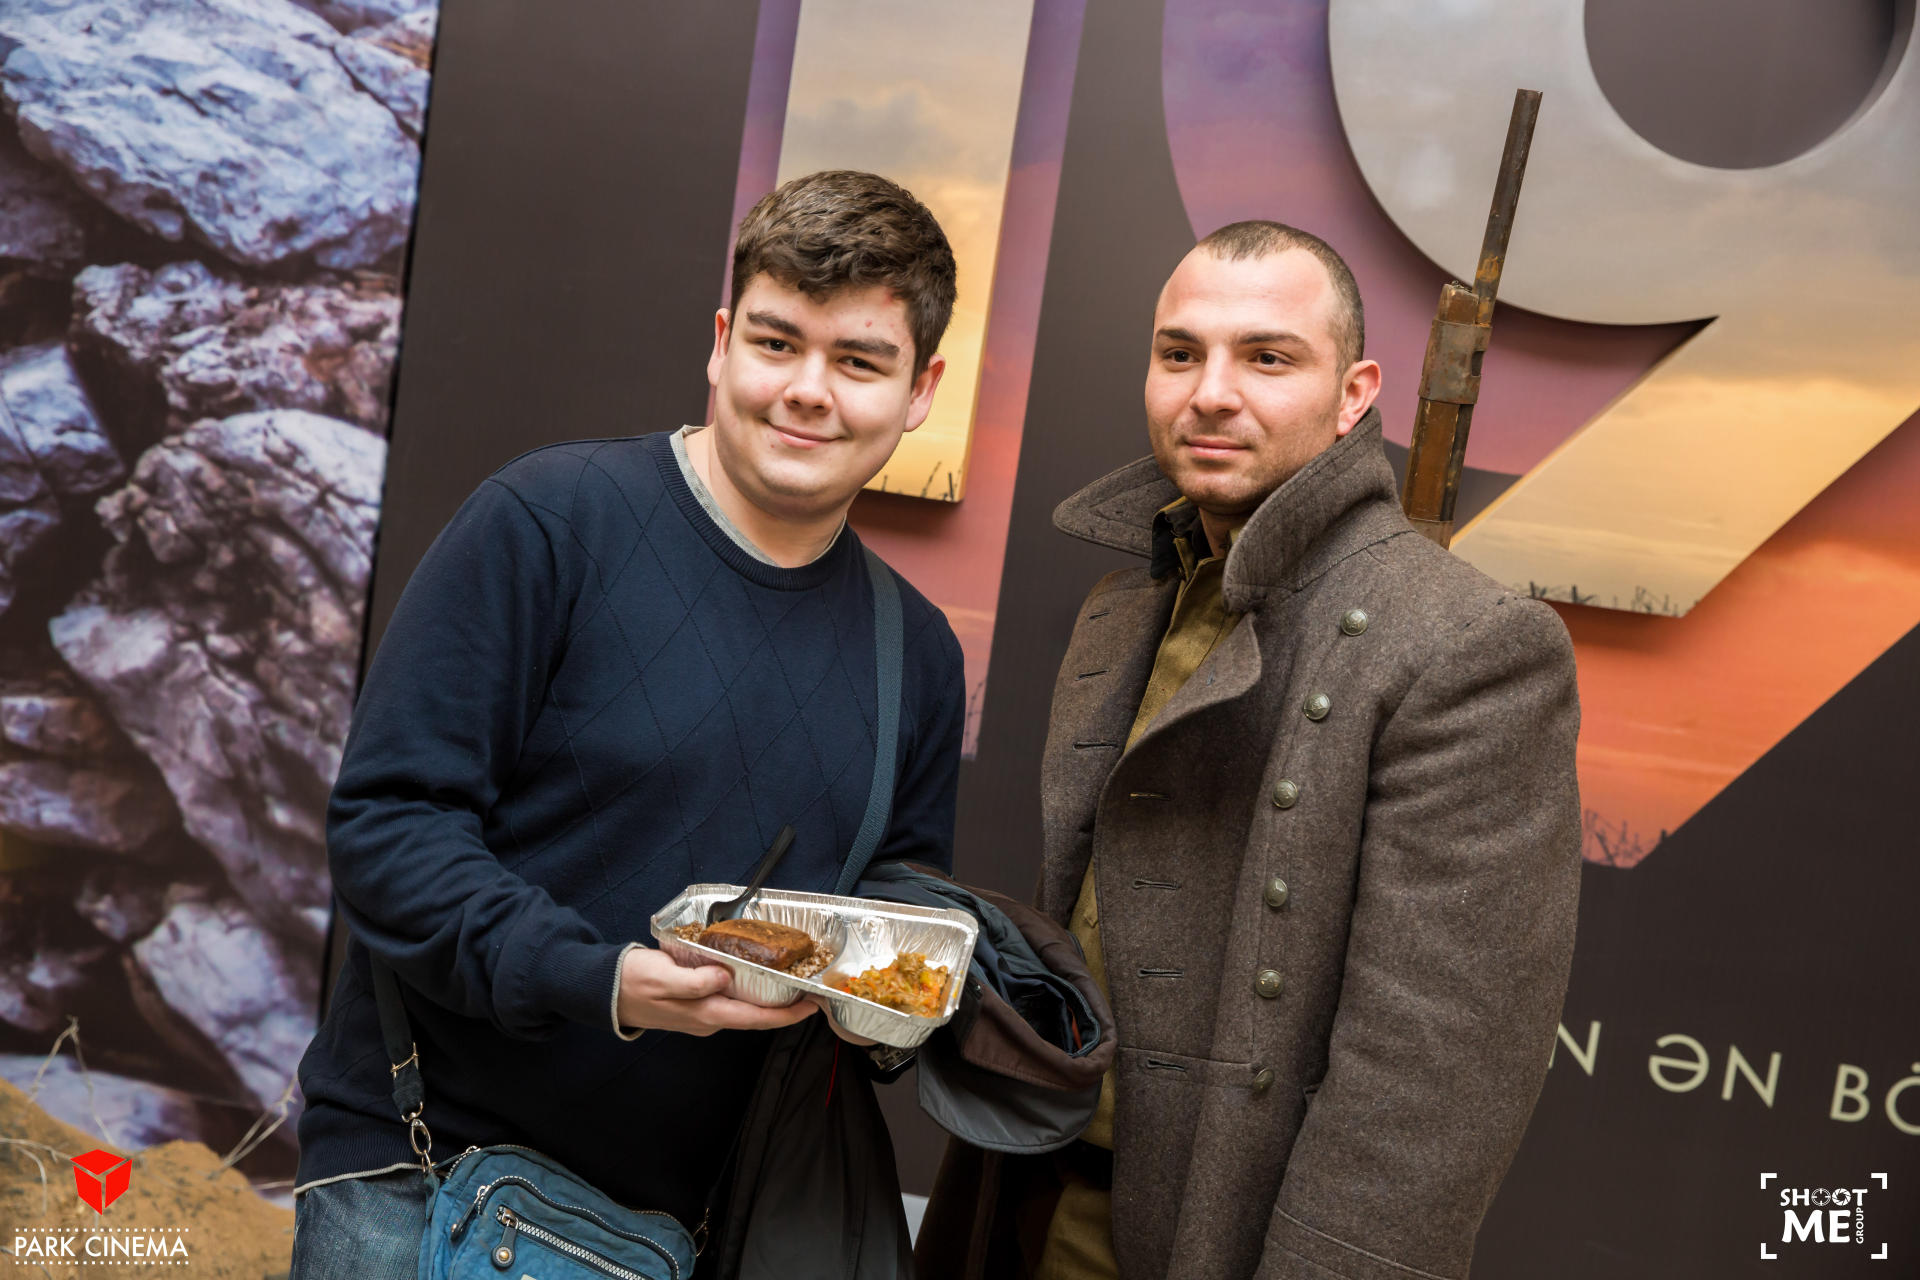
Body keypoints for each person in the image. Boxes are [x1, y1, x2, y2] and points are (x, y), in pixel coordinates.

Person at [289, 169, 966, 1277]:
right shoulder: (548, 524)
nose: (807, 390)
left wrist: (884, 996)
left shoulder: (918, 653)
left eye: (858, 361)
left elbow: (897, 899)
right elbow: (388, 828)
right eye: (776, 341)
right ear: (719, 341)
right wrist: (600, 981)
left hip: (668, 1235)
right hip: (420, 1184)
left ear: (921, 387)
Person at [916, 222, 1581, 1280]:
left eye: (1268, 357)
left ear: (1356, 391)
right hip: (1021, 1191)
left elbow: (1431, 1084)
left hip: (1216, 1240)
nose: (1211, 392)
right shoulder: (1126, 602)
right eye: (1180, 353)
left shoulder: (1470, 645)